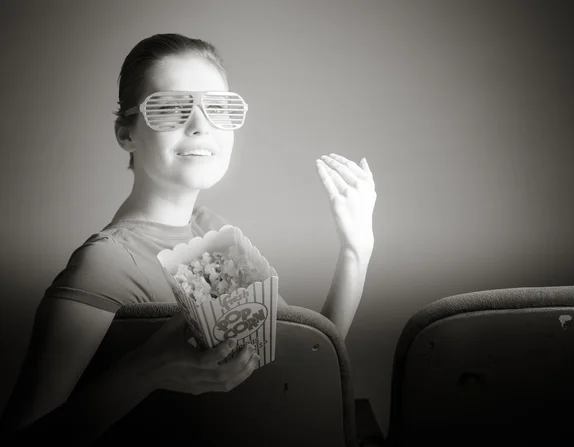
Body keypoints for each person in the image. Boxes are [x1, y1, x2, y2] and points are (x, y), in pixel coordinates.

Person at [0, 33, 377, 442]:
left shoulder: (210, 234)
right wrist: (147, 370)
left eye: (218, 107)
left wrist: (356, 250)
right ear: (126, 134)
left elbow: (306, 360)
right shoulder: (105, 265)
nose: (200, 125)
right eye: (169, 109)